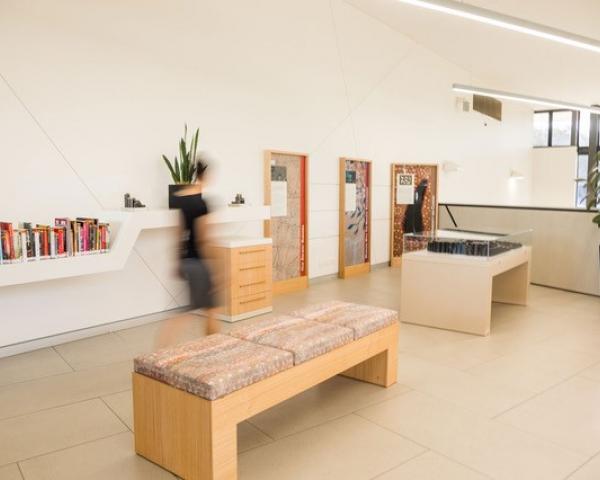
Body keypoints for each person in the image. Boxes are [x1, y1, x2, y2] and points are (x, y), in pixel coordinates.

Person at [157, 161, 220, 347]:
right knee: (195, 311)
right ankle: (163, 345)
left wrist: (176, 261)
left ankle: (212, 347)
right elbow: (203, 238)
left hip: (186, 259)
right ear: (205, 175)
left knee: (208, 307)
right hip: (199, 262)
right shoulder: (201, 203)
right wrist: (216, 261)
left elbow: (178, 232)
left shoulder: (181, 198)